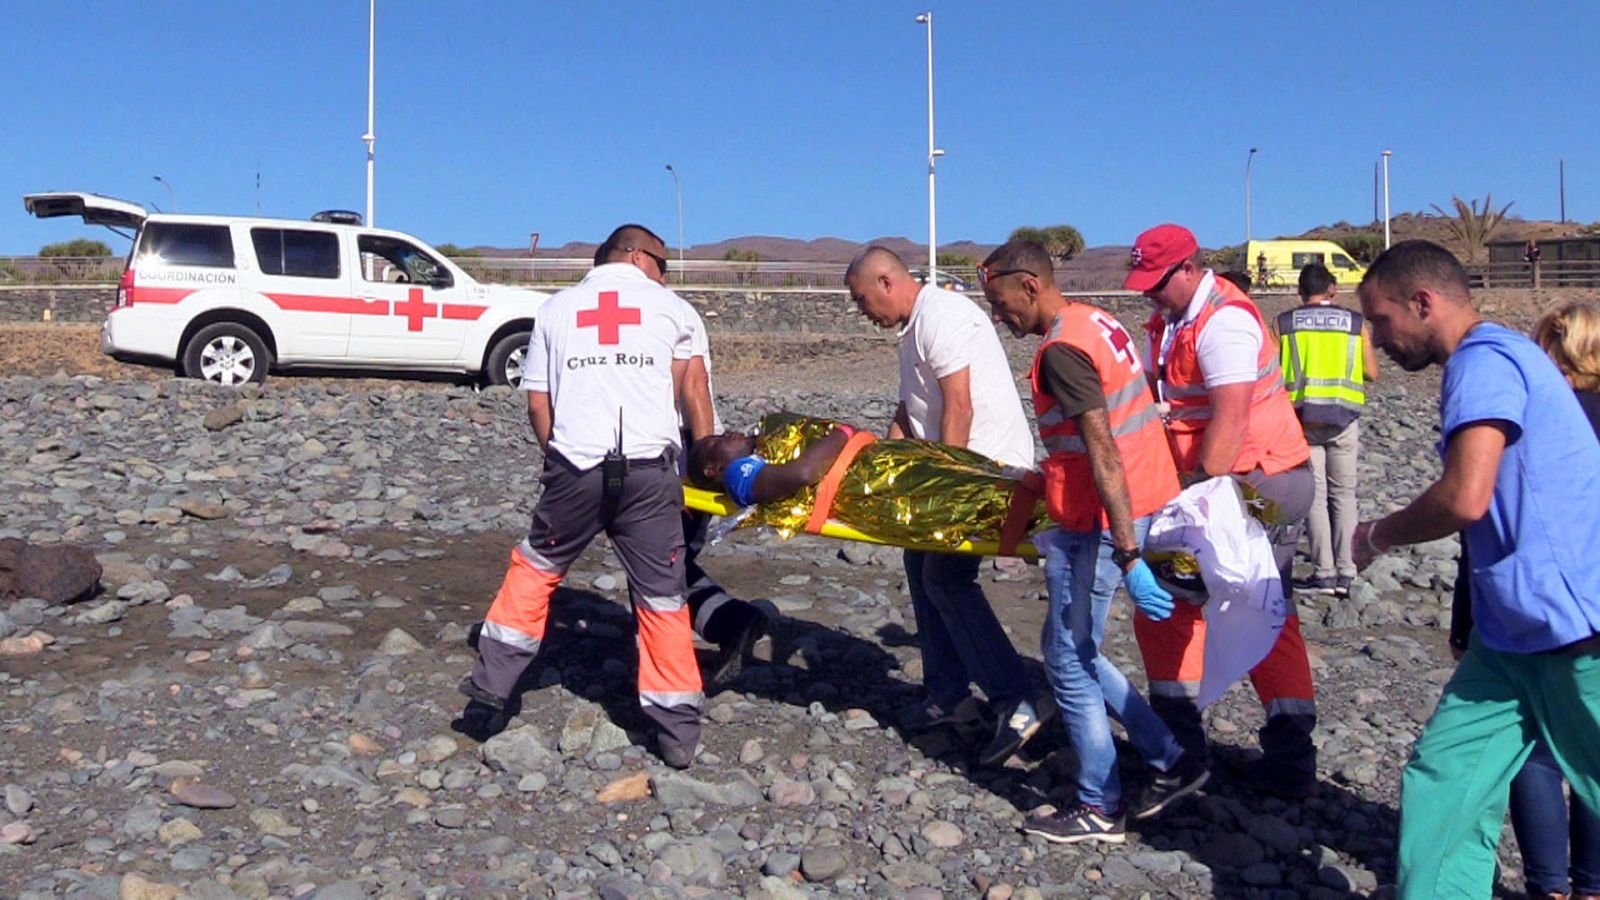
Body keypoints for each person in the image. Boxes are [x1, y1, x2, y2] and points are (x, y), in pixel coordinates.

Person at [1351, 241, 1600, 898]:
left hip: (1573, 624)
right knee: (1446, 778)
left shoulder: (1484, 362)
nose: (1377, 342)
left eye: (1379, 322)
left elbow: (1466, 495)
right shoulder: (1503, 358)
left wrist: (1374, 535)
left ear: (1423, 302)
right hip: (1510, 633)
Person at [979, 240, 1210, 844]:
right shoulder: (1096, 321)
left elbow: (1103, 448)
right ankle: (1170, 755)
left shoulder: (1061, 349)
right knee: (1075, 648)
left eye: (1000, 304)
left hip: (1105, 523)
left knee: (1066, 658)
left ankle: (1099, 804)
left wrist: (1129, 551)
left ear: (1028, 284)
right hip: (1124, 507)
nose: (999, 318)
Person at [458, 224, 708, 769]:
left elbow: (537, 404)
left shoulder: (555, 310)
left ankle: (492, 686)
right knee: (663, 597)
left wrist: (560, 459)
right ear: (640, 258)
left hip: (576, 465)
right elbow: (693, 396)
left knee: (537, 564)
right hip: (648, 472)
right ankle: (677, 733)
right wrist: (700, 473)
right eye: (663, 264)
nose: (665, 276)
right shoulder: (677, 311)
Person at [1125, 223, 1319, 798]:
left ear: (1188, 268)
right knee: (1265, 607)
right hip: (1233, 484)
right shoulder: (1172, 321)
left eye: (1156, 282)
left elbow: (1229, 426)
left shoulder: (1224, 323)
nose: (1147, 294)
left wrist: (1185, 496)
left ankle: (1182, 751)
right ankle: (1286, 760)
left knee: (1176, 600)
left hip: (1254, 482)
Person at [845, 245, 1048, 767]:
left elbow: (960, 403)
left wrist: (945, 485)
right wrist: (875, 463)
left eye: (862, 299)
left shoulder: (945, 316)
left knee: (946, 578)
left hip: (989, 474)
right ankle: (950, 694)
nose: (862, 312)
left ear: (887, 282)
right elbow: (911, 410)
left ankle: (1016, 698)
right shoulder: (912, 331)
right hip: (960, 471)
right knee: (918, 561)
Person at [1444, 297, 1600, 900]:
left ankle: (1549, 885)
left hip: (1532, 606)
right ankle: (1590, 884)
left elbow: (1485, 522)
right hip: (1585, 602)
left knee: (1536, 748)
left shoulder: (1532, 410)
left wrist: (1467, 615)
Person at [583, 239, 772, 686]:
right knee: (664, 561)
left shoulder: (665, 311)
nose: (664, 275)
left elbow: (695, 390)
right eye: (661, 265)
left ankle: (682, 662)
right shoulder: (656, 311)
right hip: (651, 459)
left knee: (657, 563)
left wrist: (694, 478)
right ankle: (714, 633)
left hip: (670, 459)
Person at [689, 412, 1044, 551]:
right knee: (959, 492)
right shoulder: (738, 475)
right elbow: (802, 474)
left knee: (966, 473)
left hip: (872, 465)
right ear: (712, 470)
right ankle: (1049, 508)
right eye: (716, 440)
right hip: (868, 481)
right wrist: (842, 433)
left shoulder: (753, 456)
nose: (727, 431)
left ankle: (1047, 500)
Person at [1274, 262, 1379, 598]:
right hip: (1344, 417)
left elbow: (1270, 372)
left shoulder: (1284, 324)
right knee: (1344, 496)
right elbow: (1372, 373)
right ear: (1332, 289)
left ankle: (1324, 572)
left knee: (1315, 498)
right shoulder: (1355, 324)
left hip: (1301, 420)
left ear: (1300, 291)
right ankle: (1348, 570)